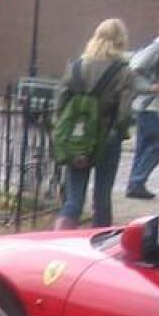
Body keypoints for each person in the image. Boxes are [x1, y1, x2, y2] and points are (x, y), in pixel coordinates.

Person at [53, 18, 136, 230]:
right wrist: (120, 130)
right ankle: (99, 244)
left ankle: (61, 240)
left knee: (74, 198)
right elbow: (124, 113)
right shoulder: (123, 72)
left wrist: (66, 128)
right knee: (102, 197)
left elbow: (61, 101)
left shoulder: (76, 67)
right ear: (120, 41)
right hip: (107, 138)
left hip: (78, 138)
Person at [125, 14, 159, 199]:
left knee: (144, 146)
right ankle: (137, 181)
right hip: (148, 105)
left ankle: (135, 184)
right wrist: (149, 87)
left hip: (152, 105)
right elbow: (134, 68)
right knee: (158, 144)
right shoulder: (155, 49)